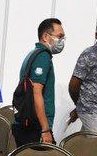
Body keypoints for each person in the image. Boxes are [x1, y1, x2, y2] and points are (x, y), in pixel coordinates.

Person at [13, 17, 65, 146]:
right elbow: (37, 93)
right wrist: (45, 129)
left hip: (29, 123)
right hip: (36, 127)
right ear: (46, 36)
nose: (62, 41)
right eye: (60, 36)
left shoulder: (33, 54)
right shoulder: (42, 57)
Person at [68, 20, 97, 135]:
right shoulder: (89, 54)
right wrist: (80, 105)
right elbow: (74, 85)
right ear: (96, 35)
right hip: (90, 109)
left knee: (87, 144)